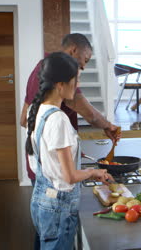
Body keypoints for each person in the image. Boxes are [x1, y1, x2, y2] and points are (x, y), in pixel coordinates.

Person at [27, 52, 114, 249]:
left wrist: (70, 155)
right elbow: (69, 176)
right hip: (59, 207)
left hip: (41, 200)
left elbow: (42, 157)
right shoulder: (59, 119)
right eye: (76, 80)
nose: (78, 85)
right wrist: (94, 172)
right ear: (60, 85)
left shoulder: (37, 108)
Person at [20, 33, 120, 184]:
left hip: (41, 171)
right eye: (85, 60)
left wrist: (65, 148)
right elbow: (91, 115)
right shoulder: (63, 81)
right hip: (57, 179)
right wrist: (108, 126)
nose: (84, 67)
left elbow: (23, 120)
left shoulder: (42, 69)